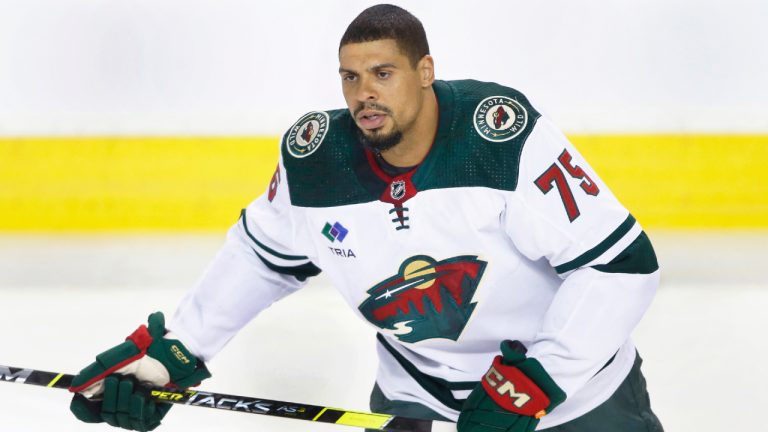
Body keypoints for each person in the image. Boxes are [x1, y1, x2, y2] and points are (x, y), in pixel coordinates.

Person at [67, 4, 664, 432]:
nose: (363, 94)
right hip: (417, 396)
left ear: (424, 72)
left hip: (573, 398)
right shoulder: (316, 159)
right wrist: (178, 350)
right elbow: (263, 258)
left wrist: (535, 382)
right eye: (350, 78)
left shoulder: (497, 140)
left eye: (383, 74)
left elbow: (622, 266)